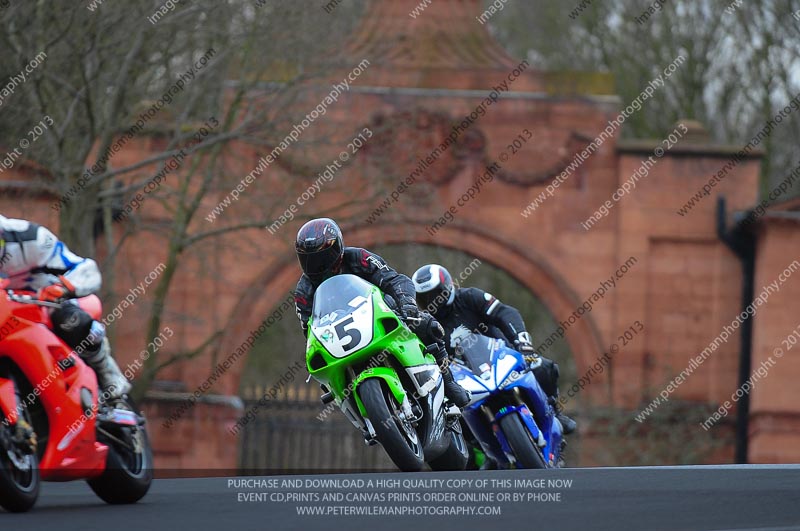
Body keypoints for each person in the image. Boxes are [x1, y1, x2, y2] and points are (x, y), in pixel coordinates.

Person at [292, 218, 469, 407]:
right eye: (309, 260)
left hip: (379, 314)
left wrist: (407, 303)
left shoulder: (359, 258)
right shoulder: (303, 292)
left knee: (427, 325)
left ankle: (448, 382)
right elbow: (309, 330)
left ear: (338, 248)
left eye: (323, 257)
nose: (318, 265)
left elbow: (395, 280)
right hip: (340, 338)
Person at [411, 263, 576, 434]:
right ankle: (477, 447)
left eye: (436, 295)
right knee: (449, 415)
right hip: (464, 379)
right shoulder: (426, 326)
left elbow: (505, 313)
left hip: (502, 357)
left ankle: (555, 412)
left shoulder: (470, 297)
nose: (433, 302)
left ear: (448, 286)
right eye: (425, 298)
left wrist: (522, 342)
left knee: (542, 366)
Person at [0, 215, 130, 400]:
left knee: (69, 320)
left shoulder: (32, 237)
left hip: (43, 303)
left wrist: (63, 288)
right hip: (4, 312)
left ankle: (107, 371)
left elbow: (86, 269)